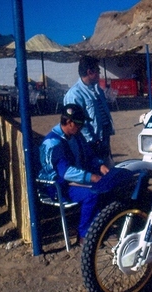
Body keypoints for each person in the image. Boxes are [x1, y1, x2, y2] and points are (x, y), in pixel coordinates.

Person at [38, 103, 110, 244]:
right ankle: (85, 235)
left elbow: (89, 155)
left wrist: (100, 165)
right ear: (69, 122)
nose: (82, 127)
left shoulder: (76, 136)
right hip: (59, 186)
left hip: (74, 181)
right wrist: (92, 177)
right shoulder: (53, 143)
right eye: (79, 124)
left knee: (106, 187)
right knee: (93, 194)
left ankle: (97, 228)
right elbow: (65, 172)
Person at [63, 56, 115, 166]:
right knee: (94, 167)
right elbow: (75, 121)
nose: (99, 74)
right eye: (98, 71)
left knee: (106, 165)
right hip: (89, 141)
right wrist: (92, 140)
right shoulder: (75, 94)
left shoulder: (97, 89)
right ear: (90, 72)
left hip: (103, 135)